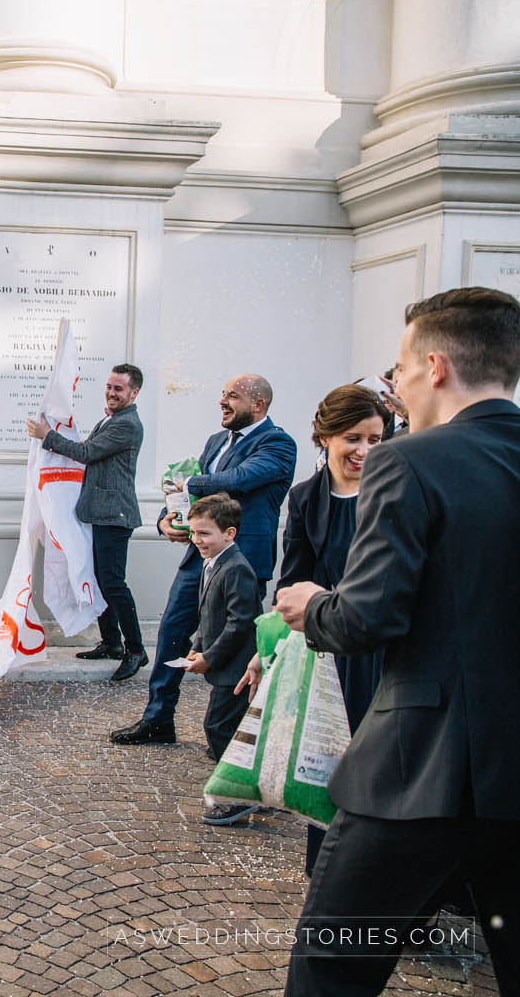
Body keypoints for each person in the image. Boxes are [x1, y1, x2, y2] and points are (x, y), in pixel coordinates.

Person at [275, 287, 520, 996]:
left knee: (331, 974)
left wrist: (313, 604)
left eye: (402, 368)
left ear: (436, 367)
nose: (399, 383)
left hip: (420, 772)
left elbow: (367, 620)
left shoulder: (408, 461)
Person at [244, 384, 387, 871]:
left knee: (384, 766)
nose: (365, 451)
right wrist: (267, 651)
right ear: (324, 437)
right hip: (330, 653)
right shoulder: (306, 498)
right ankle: (330, 866)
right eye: (353, 438)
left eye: (376, 438)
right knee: (328, 760)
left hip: (384, 652)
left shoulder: (395, 493)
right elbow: (291, 582)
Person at [109, 374, 295, 746]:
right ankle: (158, 718)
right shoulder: (215, 442)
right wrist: (168, 518)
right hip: (200, 557)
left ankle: (228, 734)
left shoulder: (278, 443)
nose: (223, 403)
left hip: (242, 560)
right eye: (222, 395)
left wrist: (192, 483)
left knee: (234, 640)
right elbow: (192, 496)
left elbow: (240, 479)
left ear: (258, 405)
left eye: (233, 397)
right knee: (172, 632)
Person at [27, 362, 147, 675]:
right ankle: (111, 642)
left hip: (114, 516)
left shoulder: (127, 424)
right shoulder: (112, 420)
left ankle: (135, 649)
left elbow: (87, 453)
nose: (111, 393)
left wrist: (48, 436)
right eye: (109, 386)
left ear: (134, 393)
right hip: (98, 513)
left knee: (113, 583)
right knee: (98, 580)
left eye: (119, 389)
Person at [178, 495, 259, 825]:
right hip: (222, 665)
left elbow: (240, 622)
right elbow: (209, 614)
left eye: (205, 534)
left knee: (219, 726)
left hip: (236, 669)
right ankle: (252, 789)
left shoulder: (237, 568)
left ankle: (240, 795)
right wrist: (199, 646)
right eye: (194, 533)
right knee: (228, 727)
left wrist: (210, 657)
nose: (197, 540)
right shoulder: (213, 563)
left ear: (230, 533)